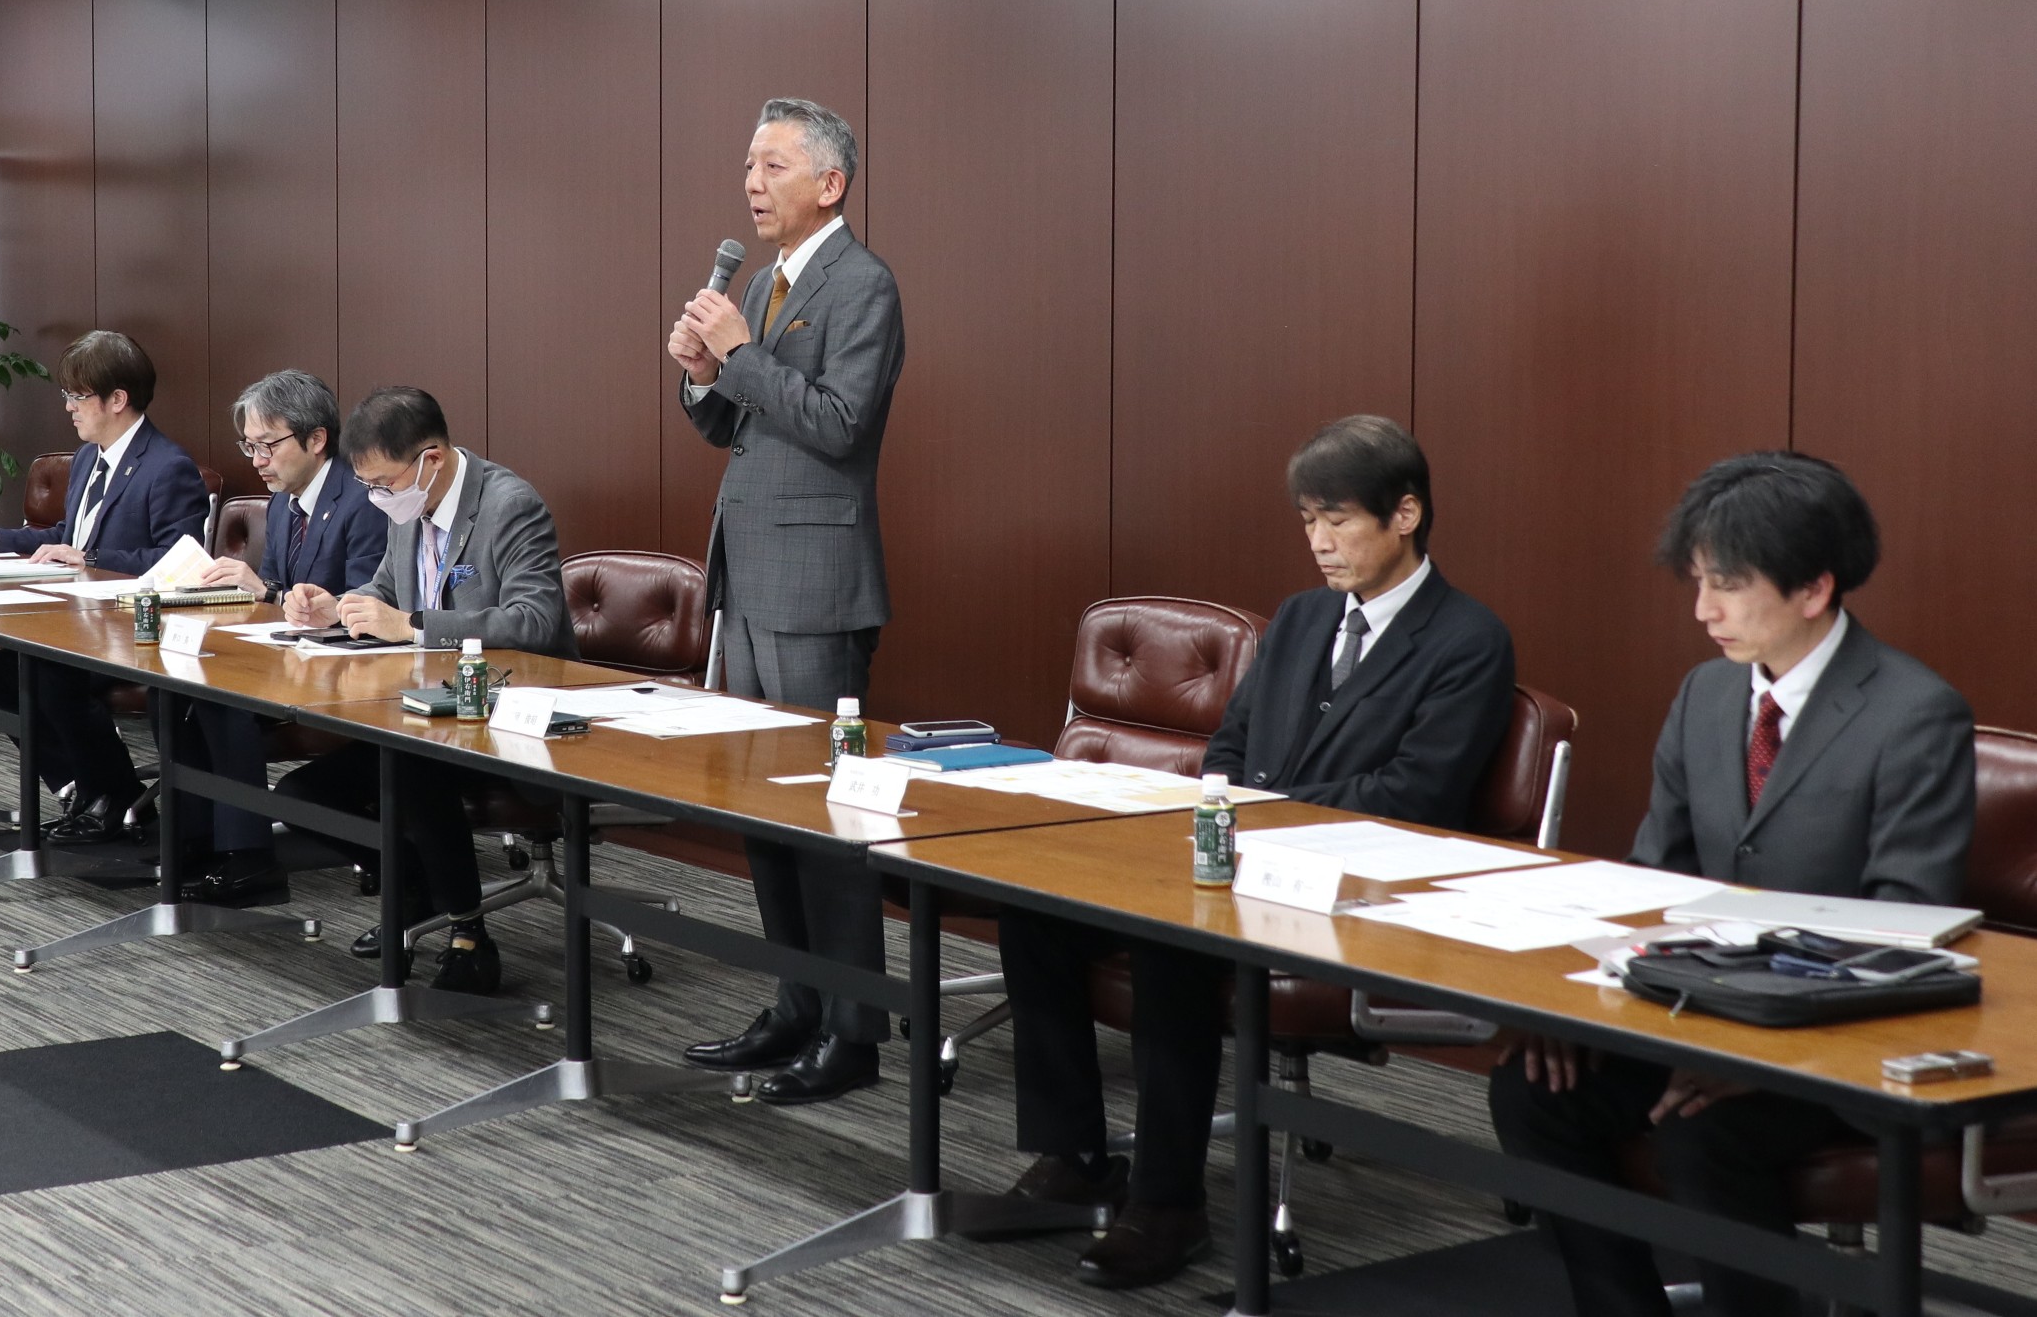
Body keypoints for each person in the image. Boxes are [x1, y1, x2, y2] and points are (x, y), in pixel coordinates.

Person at [997, 415, 1516, 1289]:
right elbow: (1230, 747)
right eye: (1308, 521)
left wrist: (1263, 820)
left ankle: (1168, 1204)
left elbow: (1412, 799)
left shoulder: (1468, 639)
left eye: (1337, 520)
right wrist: (1228, 813)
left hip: (1358, 886)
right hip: (1245, 863)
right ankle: (1075, 1157)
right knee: (1037, 906)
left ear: (1405, 514)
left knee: (1169, 938)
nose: (1319, 543)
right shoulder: (1302, 618)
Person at [1488, 450, 1975, 1317]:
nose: (1702, 609)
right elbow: (1652, 879)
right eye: (1697, 581)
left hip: (1835, 1043)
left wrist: (1762, 1052)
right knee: (1534, 1087)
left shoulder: (1914, 713)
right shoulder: (1706, 694)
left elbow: (1900, 927)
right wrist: (1571, 1007)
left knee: (1701, 1134)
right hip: (1705, 1017)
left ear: (1814, 588)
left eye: (1728, 584)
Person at [668, 98, 907, 1106]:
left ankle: (853, 1032)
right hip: (750, 576)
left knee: (826, 817)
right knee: (764, 811)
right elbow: (742, 427)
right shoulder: (766, 283)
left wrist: (739, 356)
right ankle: (794, 1005)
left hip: (815, 584)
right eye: (747, 165)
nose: (751, 184)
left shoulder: (863, 285)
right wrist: (702, 377)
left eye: (771, 166)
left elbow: (841, 424)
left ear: (829, 183)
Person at [273, 386, 578, 993]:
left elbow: (534, 623)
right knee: (301, 794)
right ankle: (415, 892)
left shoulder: (509, 505)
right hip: (426, 711)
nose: (378, 498)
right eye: (368, 486)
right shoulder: (407, 510)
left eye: (384, 484)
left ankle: (469, 935)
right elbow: (386, 590)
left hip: (510, 715)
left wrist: (412, 626)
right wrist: (339, 607)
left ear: (431, 460)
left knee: (413, 769)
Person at [0, 330, 207, 842]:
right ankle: (91, 789)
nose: (68, 407)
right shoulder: (87, 457)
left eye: (78, 396)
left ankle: (111, 797)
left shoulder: (168, 467)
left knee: (50, 676)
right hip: (78, 623)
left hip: (132, 627)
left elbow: (179, 562)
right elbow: (67, 538)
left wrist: (92, 559)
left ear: (117, 399)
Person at [165, 370, 386, 906]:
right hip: (291, 654)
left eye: (267, 445)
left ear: (316, 439)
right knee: (172, 691)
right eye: (249, 446)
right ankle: (195, 842)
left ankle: (249, 859)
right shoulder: (285, 500)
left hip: (350, 669)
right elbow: (281, 596)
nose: (257, 460)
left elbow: (373, 604)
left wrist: (269, 591)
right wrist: (254, 591)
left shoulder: (364, 500)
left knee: (224, 702)